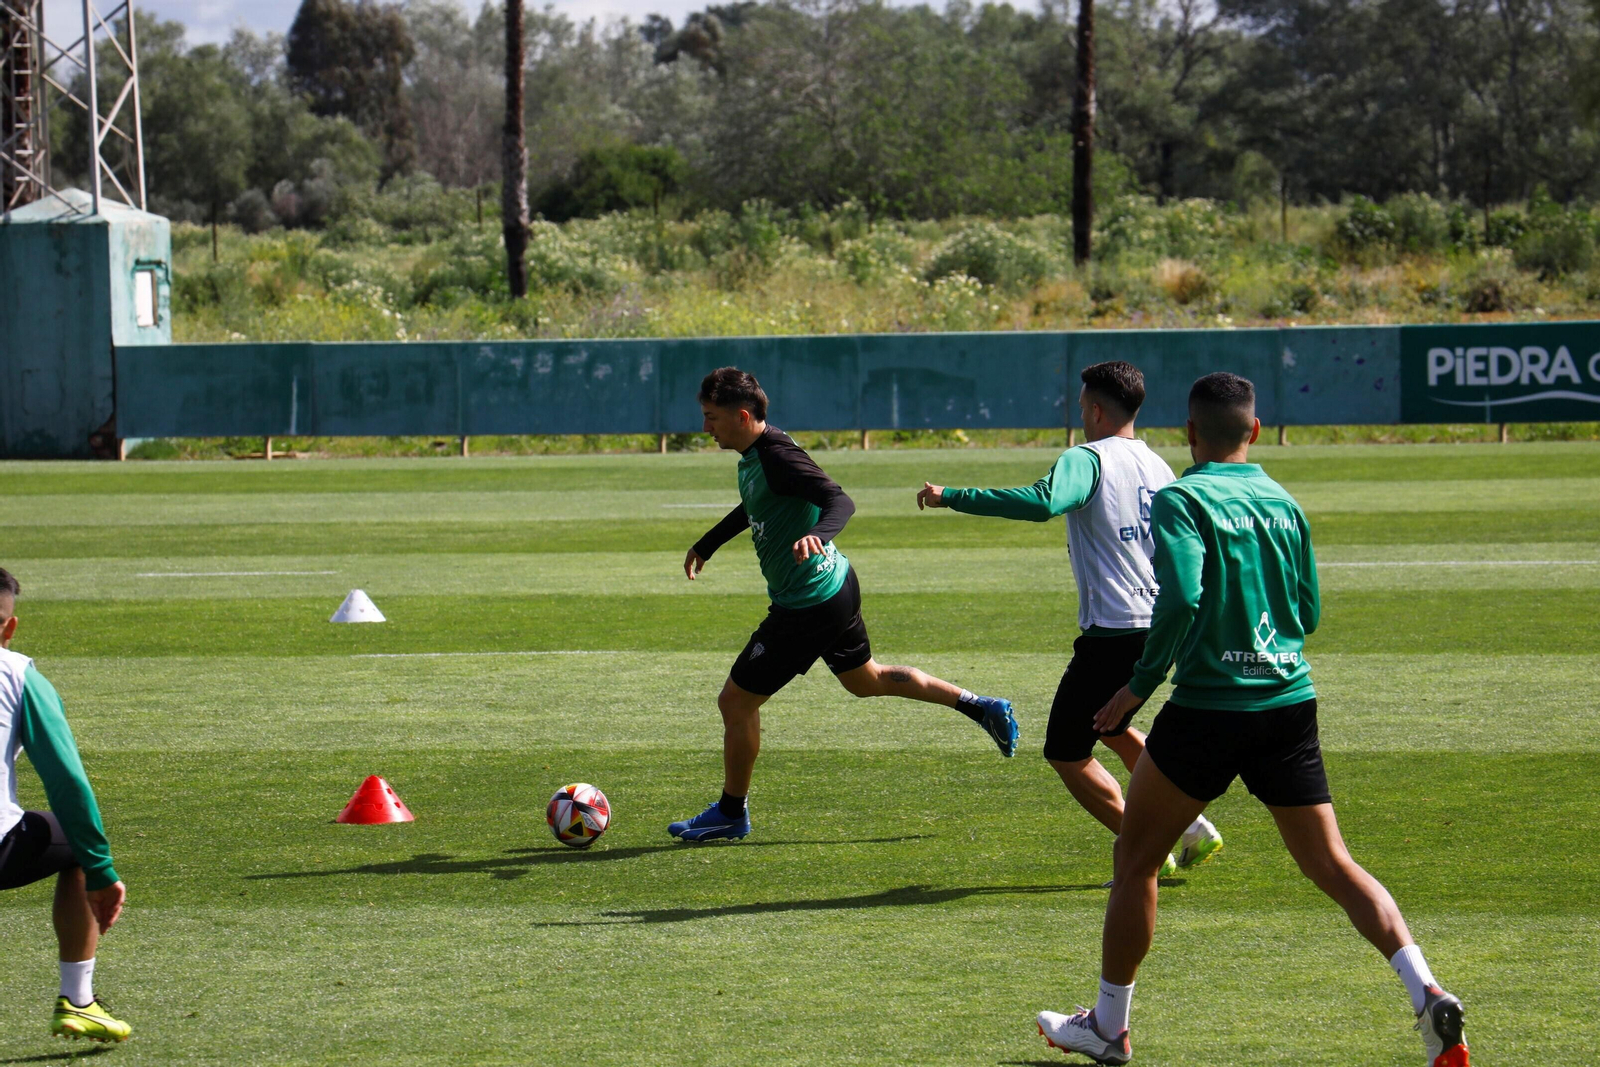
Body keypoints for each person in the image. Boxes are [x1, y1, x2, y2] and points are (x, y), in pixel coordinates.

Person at [1035, 373, 1466, 1067]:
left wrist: (1137, 687)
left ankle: (1108, 1026)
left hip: (1209, 708)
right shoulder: (1285, 503)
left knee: (1137, 859)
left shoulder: (1183, 497)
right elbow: (1310, 612)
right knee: (1333, 863)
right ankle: (1426, 991)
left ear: (1190, 433)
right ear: (1256, 431)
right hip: (1288, 702)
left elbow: (1177, 600)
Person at [669, 367, 1019, 841]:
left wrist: (818, 533)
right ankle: (981, 706)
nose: (705, 428)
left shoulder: (775, 457)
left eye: (711, 418)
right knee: (866, 680)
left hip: (807, 604)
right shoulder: (760, 452)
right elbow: (758, 503)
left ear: (743, 416)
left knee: (734, 702)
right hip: (836, 585)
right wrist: (709, 543)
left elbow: (839, 499)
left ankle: (731, 813)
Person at [917, 361, 1222, 882]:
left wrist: (953, 496)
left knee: (1065, 750)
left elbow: (1042, 503)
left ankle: (1147, 852)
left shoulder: (1087, 459)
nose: (1081, 416)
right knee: (1112, 723)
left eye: (1083, 407)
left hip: (1115, 630)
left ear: (1097, 410)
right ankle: (1192, 824)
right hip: (1161, 622)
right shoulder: (1158, 465)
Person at [0, 568, 131, 1043]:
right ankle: (79, 1002)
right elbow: (68, 782)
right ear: (9, 628)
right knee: (73, 842)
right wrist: (100, 869)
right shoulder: (17, 674)